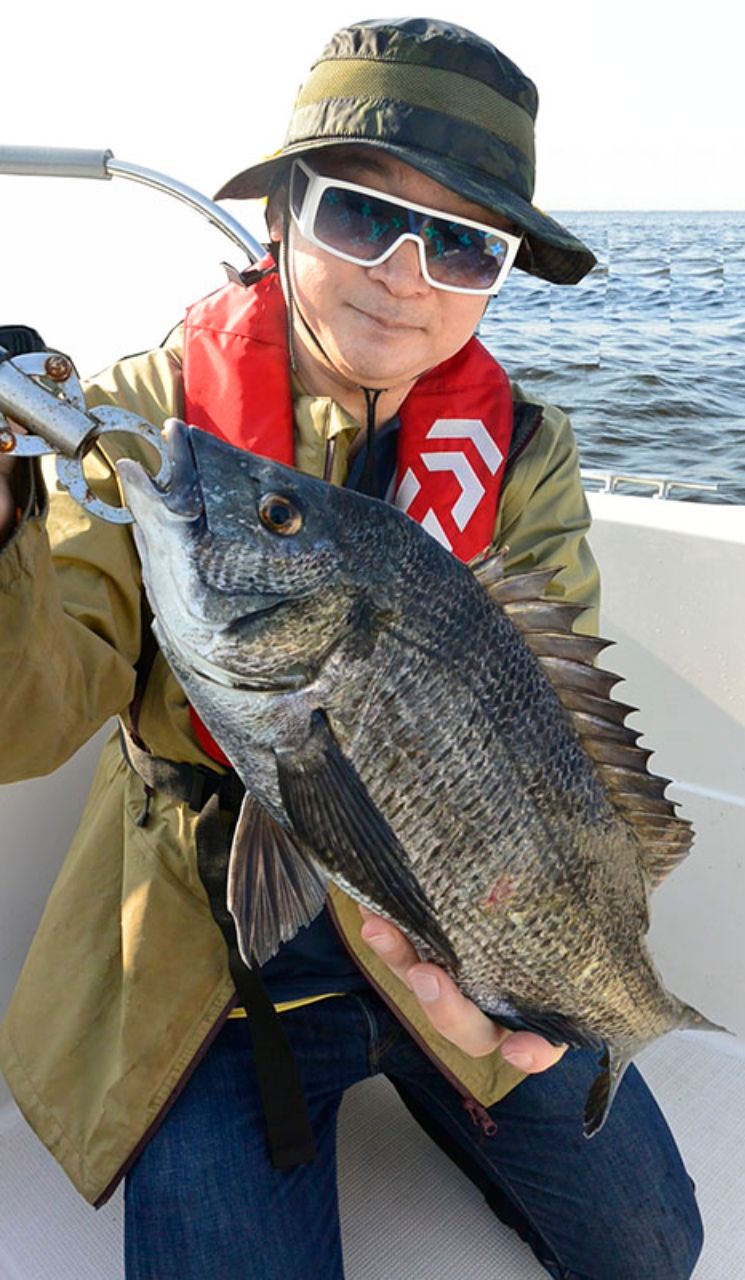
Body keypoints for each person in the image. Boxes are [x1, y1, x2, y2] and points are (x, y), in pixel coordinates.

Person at [0, 17, 703, 1280]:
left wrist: (510, 951)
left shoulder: (524, 452)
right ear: (278, 218)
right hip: (206, 942)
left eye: (460, 241)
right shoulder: (156, 427)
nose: (401, 269)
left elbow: (547, 732)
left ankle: (474, 1071)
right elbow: (26, 718)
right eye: (357, 216)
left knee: (655, 1245)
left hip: (461, 917)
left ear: (496, 274)